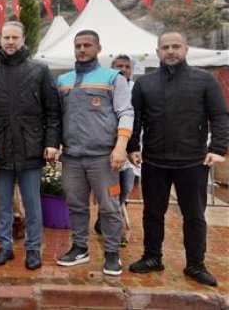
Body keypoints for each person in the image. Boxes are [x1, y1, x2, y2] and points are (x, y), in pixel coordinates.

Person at [128, 31, 229, 287]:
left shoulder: (205, 80)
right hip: (154, 160)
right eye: (165, 47)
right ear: (158, 51)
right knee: (152, 213)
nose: (170, 51)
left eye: (176, 46)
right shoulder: (144, 83)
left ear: (186, 49)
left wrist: (218, 147)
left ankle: (196, 264)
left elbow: (219, 115)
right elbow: (136, 117)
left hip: (192, 161)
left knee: (194, 216)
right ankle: (152, 257)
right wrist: (132, 146)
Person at [0, 21, 61, 271]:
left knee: (33, 204)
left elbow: (53, 110)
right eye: (5, 37)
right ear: (0, 40)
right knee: (3, 203)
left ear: (23, 39)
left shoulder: (40, 70)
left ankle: (33, 249)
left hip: (31, 147)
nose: (10, 42)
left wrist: (52, 142)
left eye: (14, 37)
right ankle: (5, 247)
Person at [55, 30, 134, 276]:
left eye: (87, 45)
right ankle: (80, 248)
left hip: (104, 158)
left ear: (99, 48)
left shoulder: (113, 78)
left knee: (110, 207)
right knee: (76, 205)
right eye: (78, 45)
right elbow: (57, 117)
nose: (81, 49)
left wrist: (121, 147)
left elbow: (126, 113)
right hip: (72, 157)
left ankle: (112, 253)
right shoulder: (63, 80)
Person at [94, 54, 137, 247]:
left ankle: (105, 220)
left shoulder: (137, 90)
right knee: (111, 193)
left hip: (129, 154)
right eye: (119, 66)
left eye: (127, 66)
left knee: (125, 190)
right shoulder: (106, 87)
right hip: (107, 153)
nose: (124, 69)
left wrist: (133, 147)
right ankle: (115, 232)